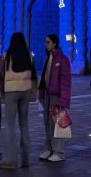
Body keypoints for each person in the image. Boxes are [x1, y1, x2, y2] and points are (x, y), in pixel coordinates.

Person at [0, 32, 37, 170]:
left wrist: (2, 91)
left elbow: (3, 73)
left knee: (10, 125)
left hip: (11, 92)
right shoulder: (28, 56)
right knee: (24, 125)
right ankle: (26, 159)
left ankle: (12, 159)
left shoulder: (8, 55)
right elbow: (33, 74)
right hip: (25, 92)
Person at [38, 33, 71, 163]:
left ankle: (59, 152)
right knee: (47, 122)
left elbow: (65, 80)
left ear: (55, 43)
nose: (46, 45)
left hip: (56, 96)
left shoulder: (62, 59)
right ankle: (50, 149)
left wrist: (64, 99)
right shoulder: (48, 58)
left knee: (57, 124)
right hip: (47, 94)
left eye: (48, 42)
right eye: (45, 42)